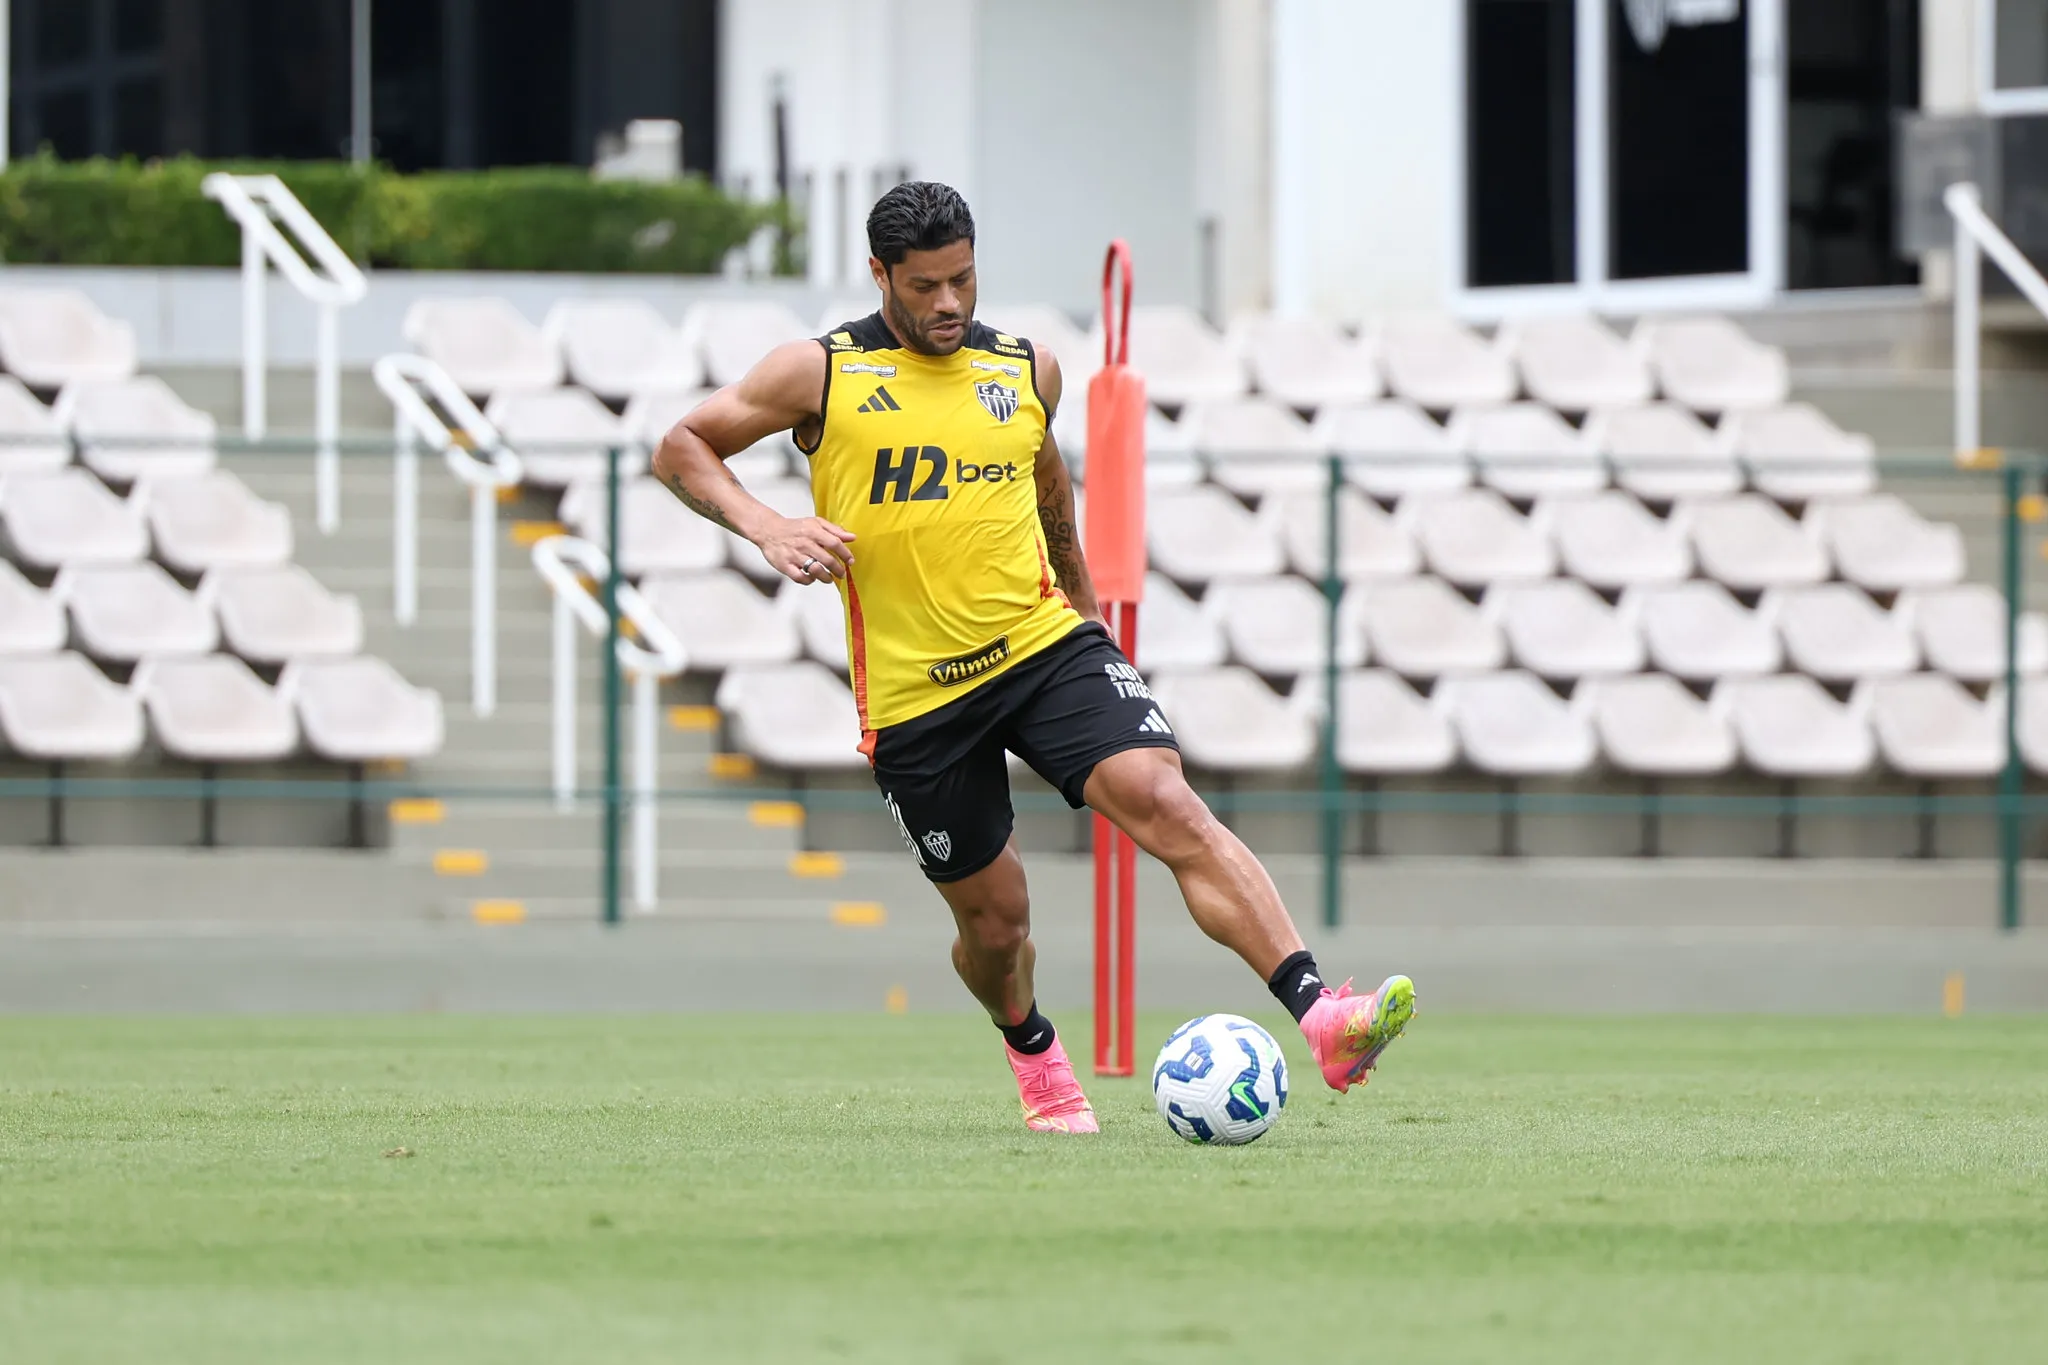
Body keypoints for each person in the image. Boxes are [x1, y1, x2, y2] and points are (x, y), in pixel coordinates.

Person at [653, 182, 1413, 1132]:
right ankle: (1034, 1051)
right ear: (881, 273)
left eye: (963, 279)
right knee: (997, 924)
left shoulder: (1025, 369)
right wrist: (766, 525)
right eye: (925, 285)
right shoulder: (821, 373)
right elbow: (681, 445)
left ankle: (1322, 1014)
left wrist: (1089, 620)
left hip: (1043, 645)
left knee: (1164, 797)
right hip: (916, 695)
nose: (949, 304)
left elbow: (1046, 478)